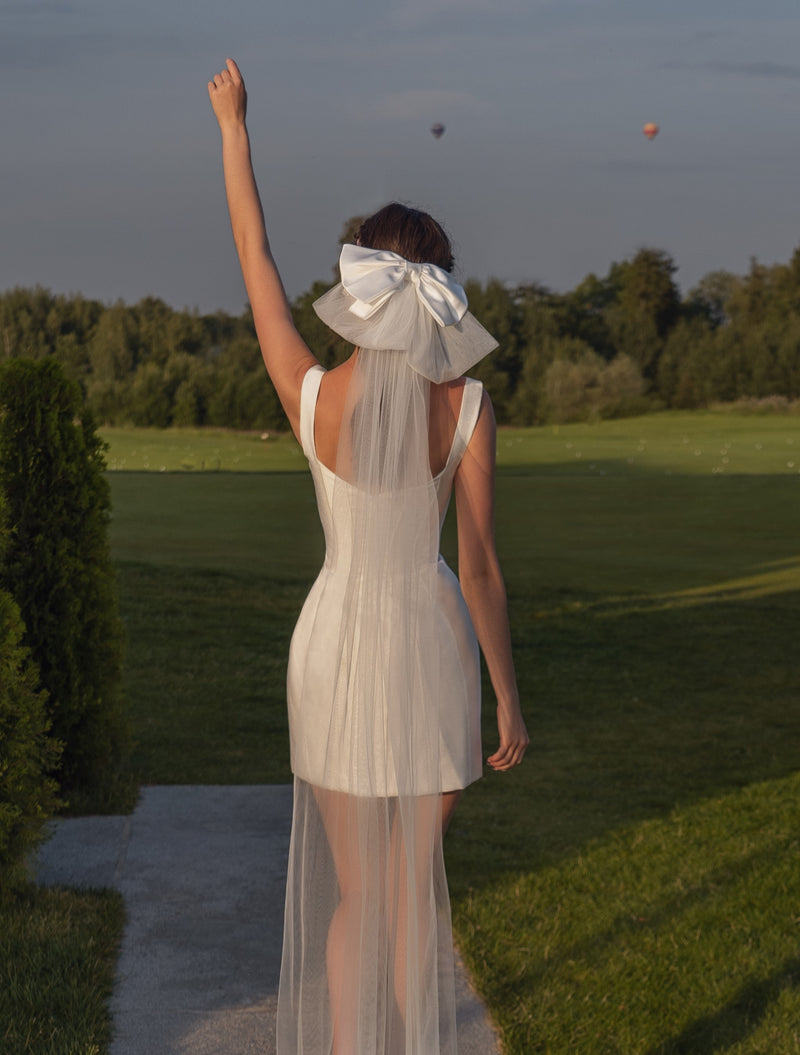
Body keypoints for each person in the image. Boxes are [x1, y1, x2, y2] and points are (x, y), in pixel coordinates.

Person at [208, 58, 529, 1055]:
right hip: (431, 646)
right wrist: (509, 696)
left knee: (354, 895)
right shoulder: (466, 407)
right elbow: (477, 567)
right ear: (434, 291)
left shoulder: (308, 394)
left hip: (335, 639)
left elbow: (254, 259)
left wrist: (233, 128)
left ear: (359, 284)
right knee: (408, 895)